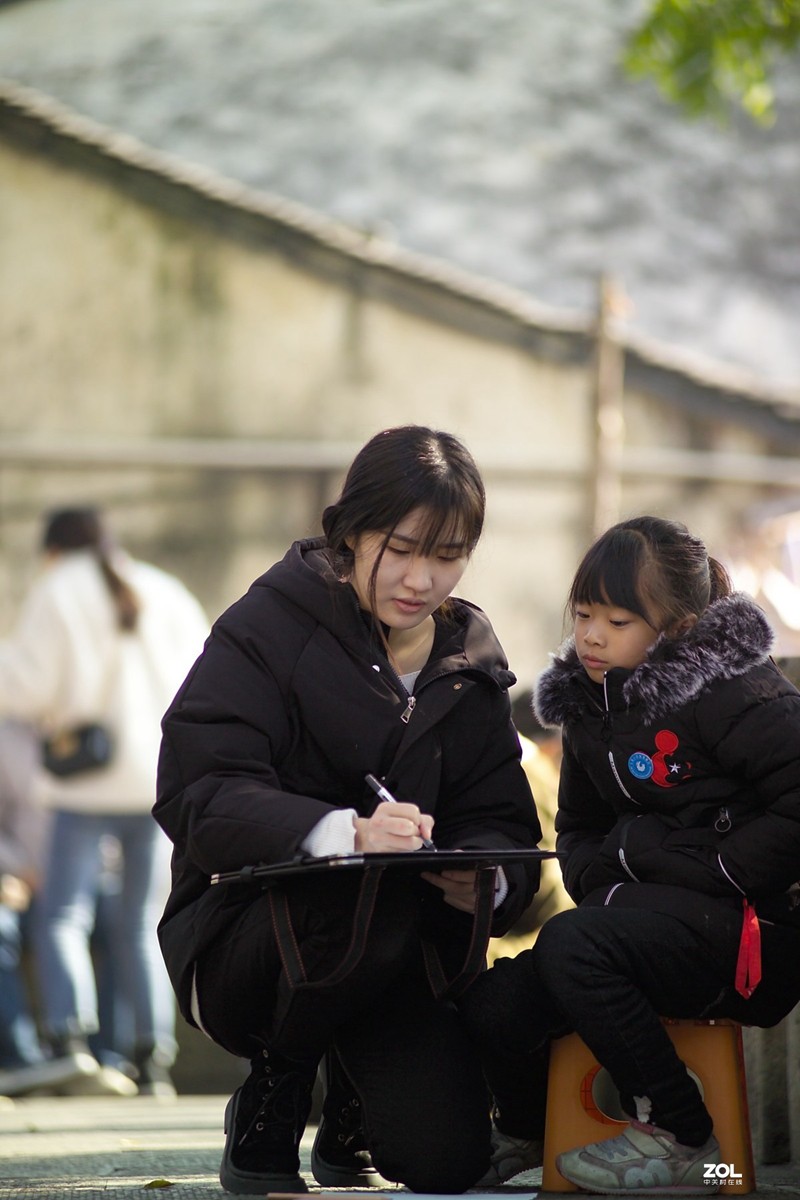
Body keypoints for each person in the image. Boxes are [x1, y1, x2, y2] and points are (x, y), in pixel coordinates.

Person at [153, 425, 542, 1195]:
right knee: (350, 890)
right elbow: (199, 787)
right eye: (400, 548)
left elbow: (504, 822)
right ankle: (278, 1080)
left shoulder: (469, 667)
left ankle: (351, 1106)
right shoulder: (268, 625)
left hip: (400, 953)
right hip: (247, 938)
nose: (421, 579)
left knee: (448, 1163)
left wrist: (487, 883)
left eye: (447, 554)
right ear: (352, 531)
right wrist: (343, 835)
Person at [458, 515, 800, 1193]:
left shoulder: (735, 691)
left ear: (676, 626)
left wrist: (728, 870)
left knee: (572, 947)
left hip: (748, 936)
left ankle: (686, 1136)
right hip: (644, 925)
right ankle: (530, 1128)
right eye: (584, 614)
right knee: (495, 998)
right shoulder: (590, 708)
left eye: (616, 621)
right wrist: (595, 881)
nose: (590, 635)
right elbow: (578, 824)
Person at [0, 508, 209, 1096]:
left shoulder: (57, 588)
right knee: (141, 921)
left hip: (86, 783)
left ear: (53, 549)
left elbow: (26, 685)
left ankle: (71, 1039)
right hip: (160, 782)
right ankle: (152, 1059)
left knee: (63, 913)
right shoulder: (164, 590)